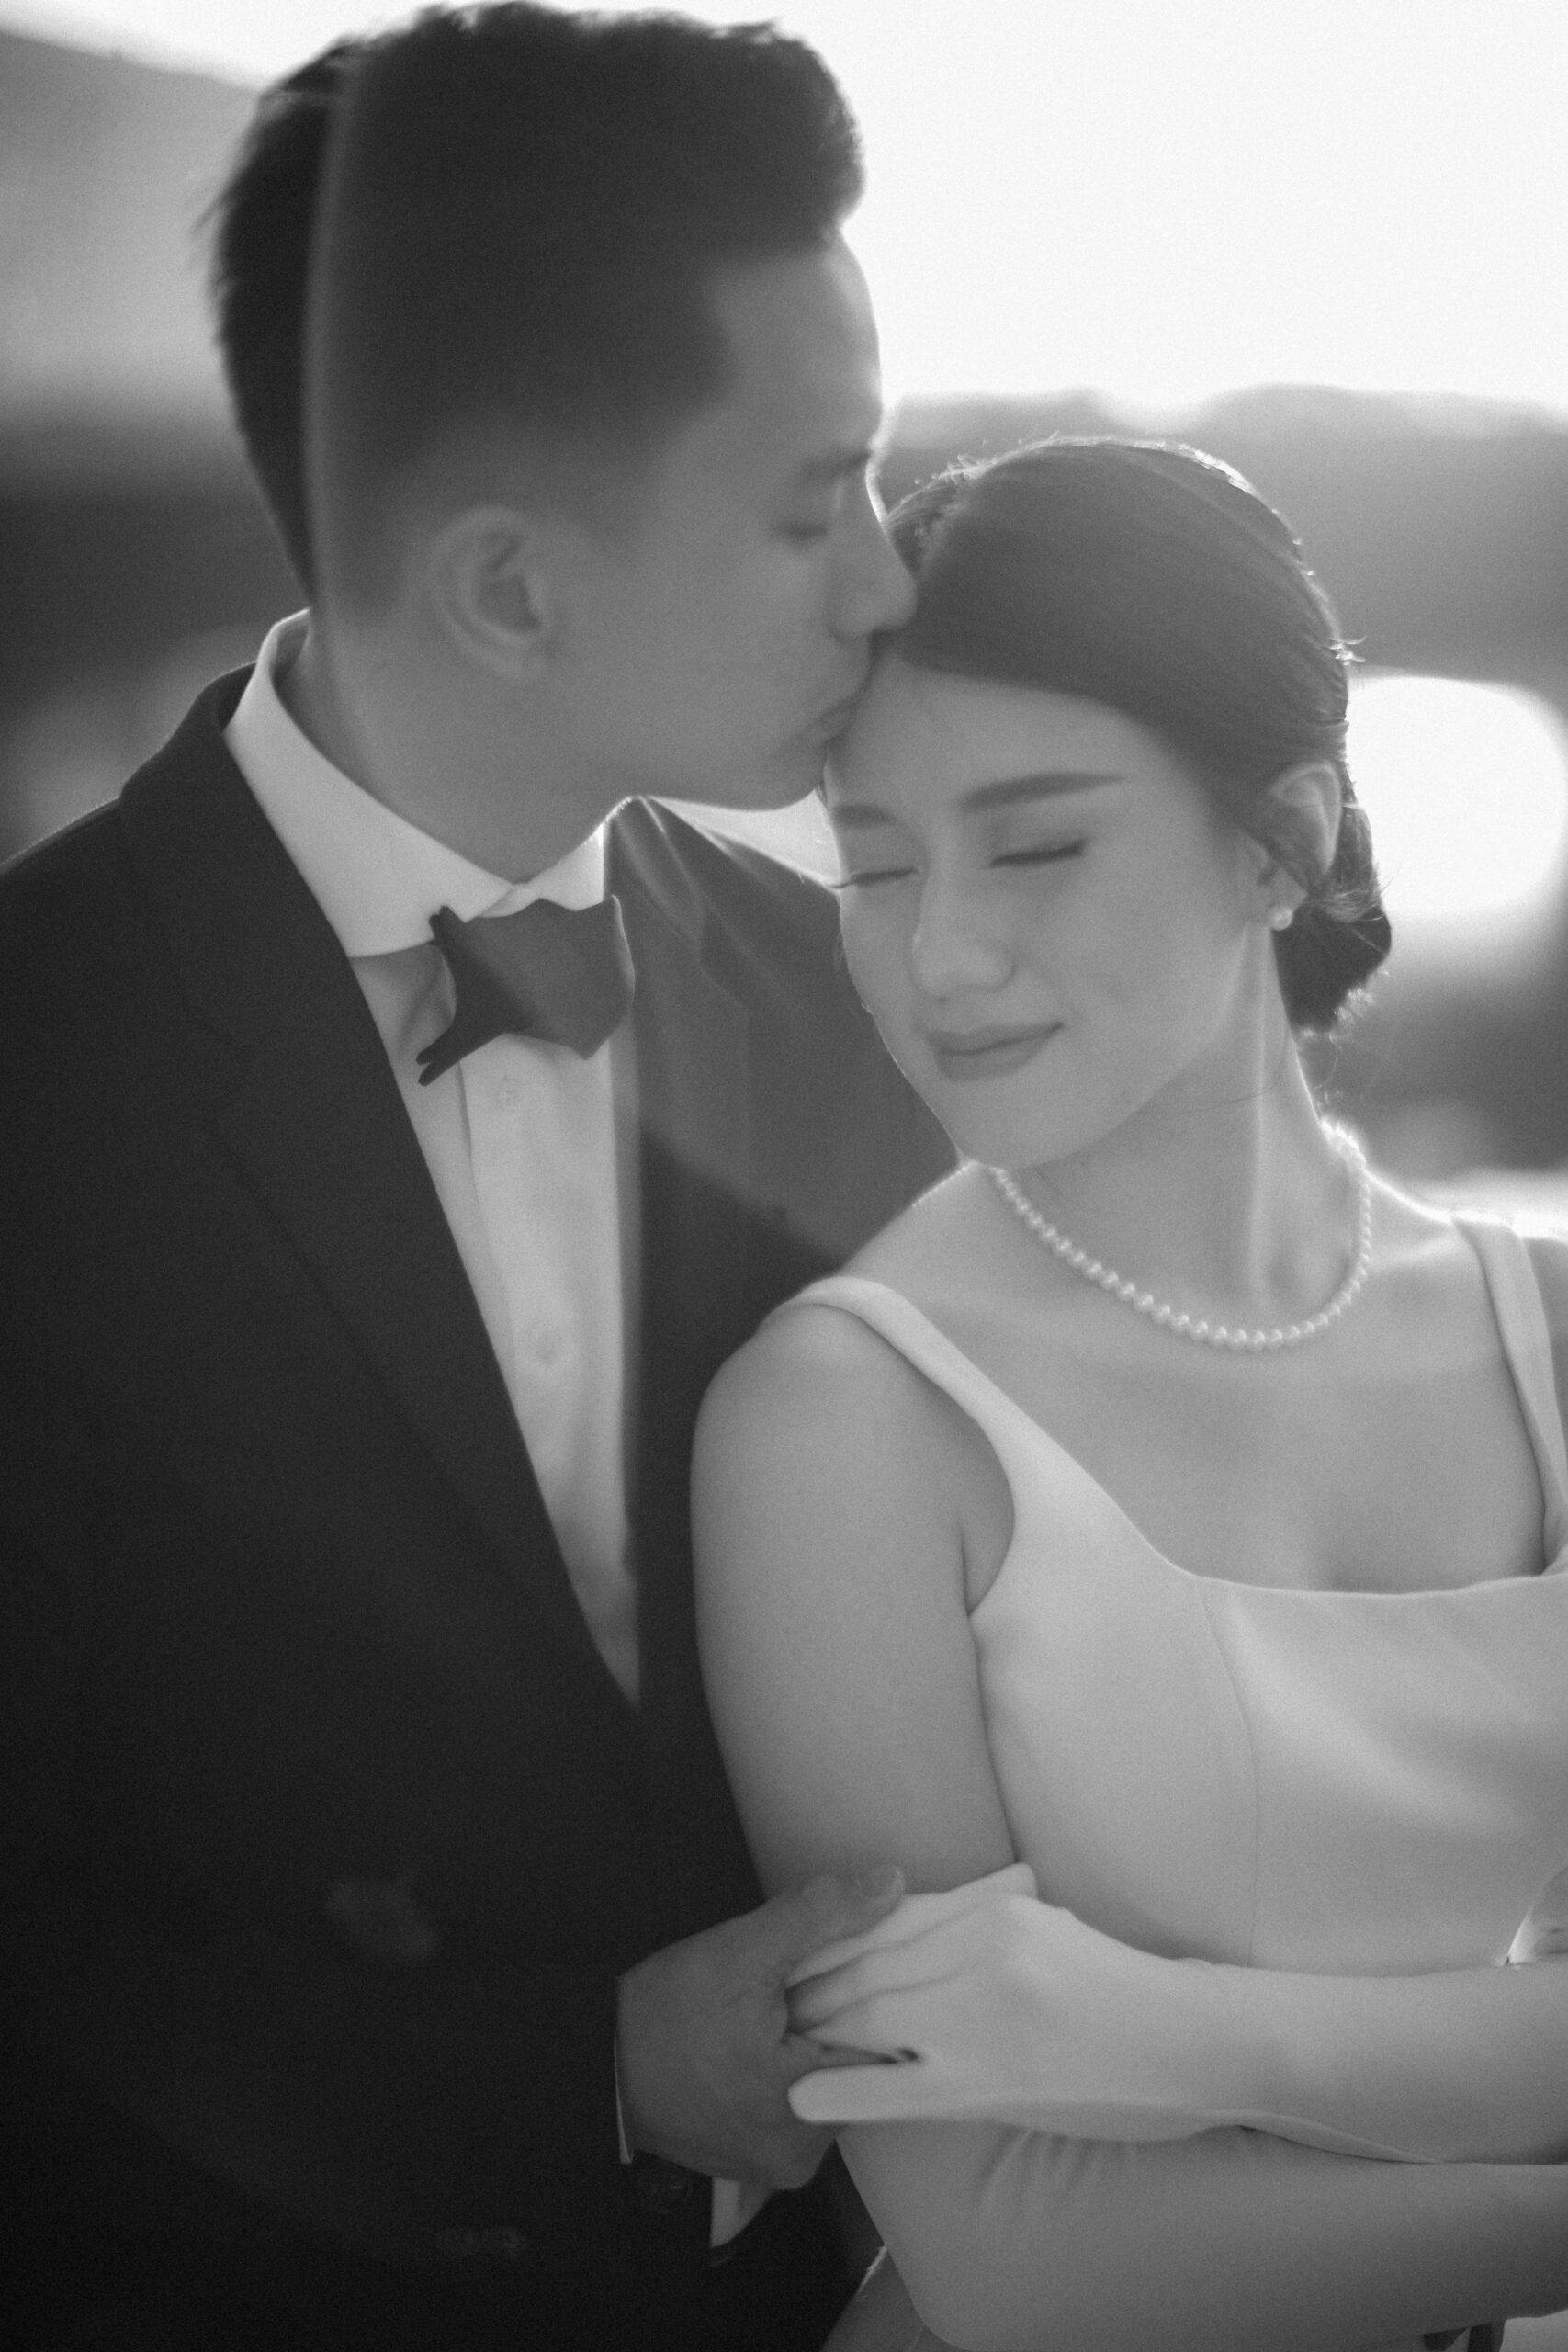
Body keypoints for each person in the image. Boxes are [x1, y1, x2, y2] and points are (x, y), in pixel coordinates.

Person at [0, 10, 954, 2348]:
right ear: (512, 590)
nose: (888, 587)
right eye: (809, 498)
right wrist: (586, 2078)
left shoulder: (856, 1008)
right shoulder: (33, 1068)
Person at [694, 439, 1568, 2352]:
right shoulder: (840, 1419)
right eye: (872, 859)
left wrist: (1163, 2030)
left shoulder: (1547, 1334)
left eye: (1033, 841)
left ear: (1280, 839)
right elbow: (1012, 2239)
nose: (937, 954)